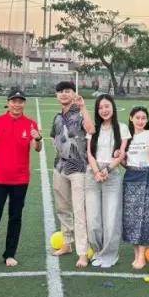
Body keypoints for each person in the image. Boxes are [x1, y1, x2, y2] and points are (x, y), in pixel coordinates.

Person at [0, 87, 42, 272]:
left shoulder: (30, 124)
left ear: (24, 104)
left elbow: (36, 148)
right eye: (14, 101)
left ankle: (10, 254)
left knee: (15, 217)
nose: (17, 104)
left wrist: (38, 139)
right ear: (8, 103)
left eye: (20, 101)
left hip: (20, 180)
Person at [50, 81, 94, 268]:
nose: (63, 94)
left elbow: (91, 130)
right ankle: (67, 243)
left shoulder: (80, 114)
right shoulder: (57, 117)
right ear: (56, 95)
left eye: (67, 91)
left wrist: (83, 108)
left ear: (74, 94)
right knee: (62, 208)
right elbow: (54, 138)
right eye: (60, 91)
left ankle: (82, 252)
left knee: (79, 211)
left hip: (78, 168)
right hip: (60, 167)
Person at [85, 93, 129, 268]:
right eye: (100, 107)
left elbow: (121, 154)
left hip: (111, 174)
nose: (104, 110)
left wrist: (107, 170)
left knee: (111, 218)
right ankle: (98, 251)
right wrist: (96, 171)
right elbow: (89, 153)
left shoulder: (122, 128)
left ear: (113, 107)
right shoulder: (93, 128)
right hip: (93, 173)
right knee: (93, 220)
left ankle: (110, 255)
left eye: (107, 106)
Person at [122, 105, 149, 269]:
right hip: (130, 177)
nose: (140, 121)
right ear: (131, 118)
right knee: (131, 218)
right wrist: (120, 157)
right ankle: (136, 253)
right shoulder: (126, 136)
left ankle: (142, 256)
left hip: (146, 177)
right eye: (137, 117)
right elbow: (125, 162)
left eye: (144, 118)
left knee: (144, 217)